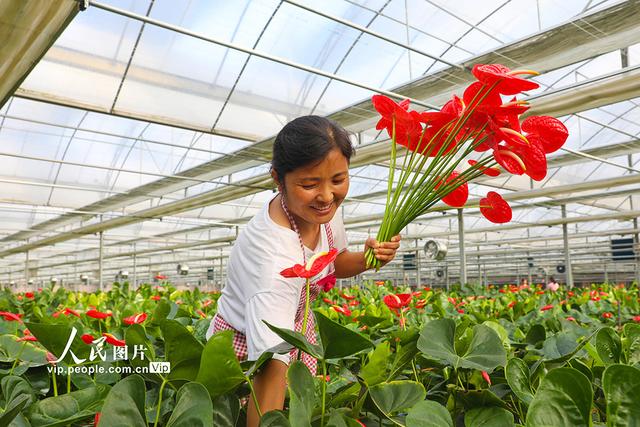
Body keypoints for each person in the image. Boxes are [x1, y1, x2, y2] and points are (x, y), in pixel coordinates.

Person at [205, 116, 401, 427]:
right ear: (277, 178)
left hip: (294, 327)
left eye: (338, 180)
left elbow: (334, 262)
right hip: (247, 350)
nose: (326, 196)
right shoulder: (271, 262)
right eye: (309, 184)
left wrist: (368, 258)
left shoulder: (322, 211)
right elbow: (270, 366)